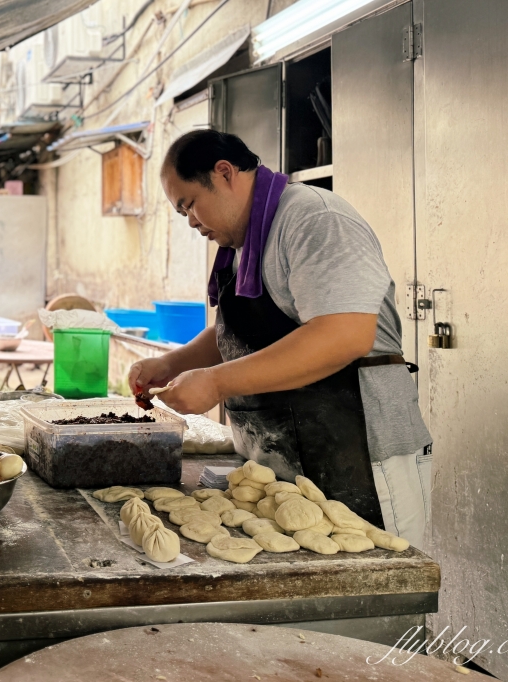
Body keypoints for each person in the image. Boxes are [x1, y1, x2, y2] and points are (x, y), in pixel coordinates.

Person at [130, 129, 432, 549]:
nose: (192, 223)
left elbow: (344, 335)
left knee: (375, 598)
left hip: (361, 454)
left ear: (224, 172)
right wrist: (172, 363)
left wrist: (216, 382)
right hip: (282, 461)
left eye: (190, 205)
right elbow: (239, 336)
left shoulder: (314, 220)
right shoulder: (244, 243)